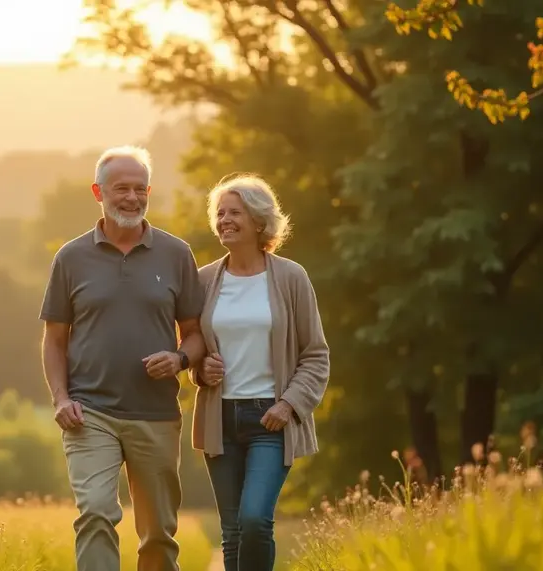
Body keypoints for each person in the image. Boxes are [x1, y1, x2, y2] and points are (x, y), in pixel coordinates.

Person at [39, 145, 206, 571]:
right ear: (98, 192)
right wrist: (60, 398)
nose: (131, 197)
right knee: (95, 512)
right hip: (88, 411)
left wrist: (179, 359)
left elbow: (196, 334)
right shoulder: (71, 258)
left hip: (155, 414)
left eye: (139, 188)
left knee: (157, 534)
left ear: (148, 191)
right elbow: (54, 339)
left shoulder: (176, 254)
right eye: (120, 189)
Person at [189, 173, 330, 571]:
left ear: (258, 220)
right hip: (221, 418)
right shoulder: (204, 281)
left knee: (254, 521)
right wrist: (201, 371)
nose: (224, 219)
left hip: (271, 419)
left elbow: (316, 355)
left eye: (235, 212)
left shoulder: (290, 278)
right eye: (220, 213)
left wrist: (289, 405)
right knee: (232, 531)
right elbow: (194, 350)